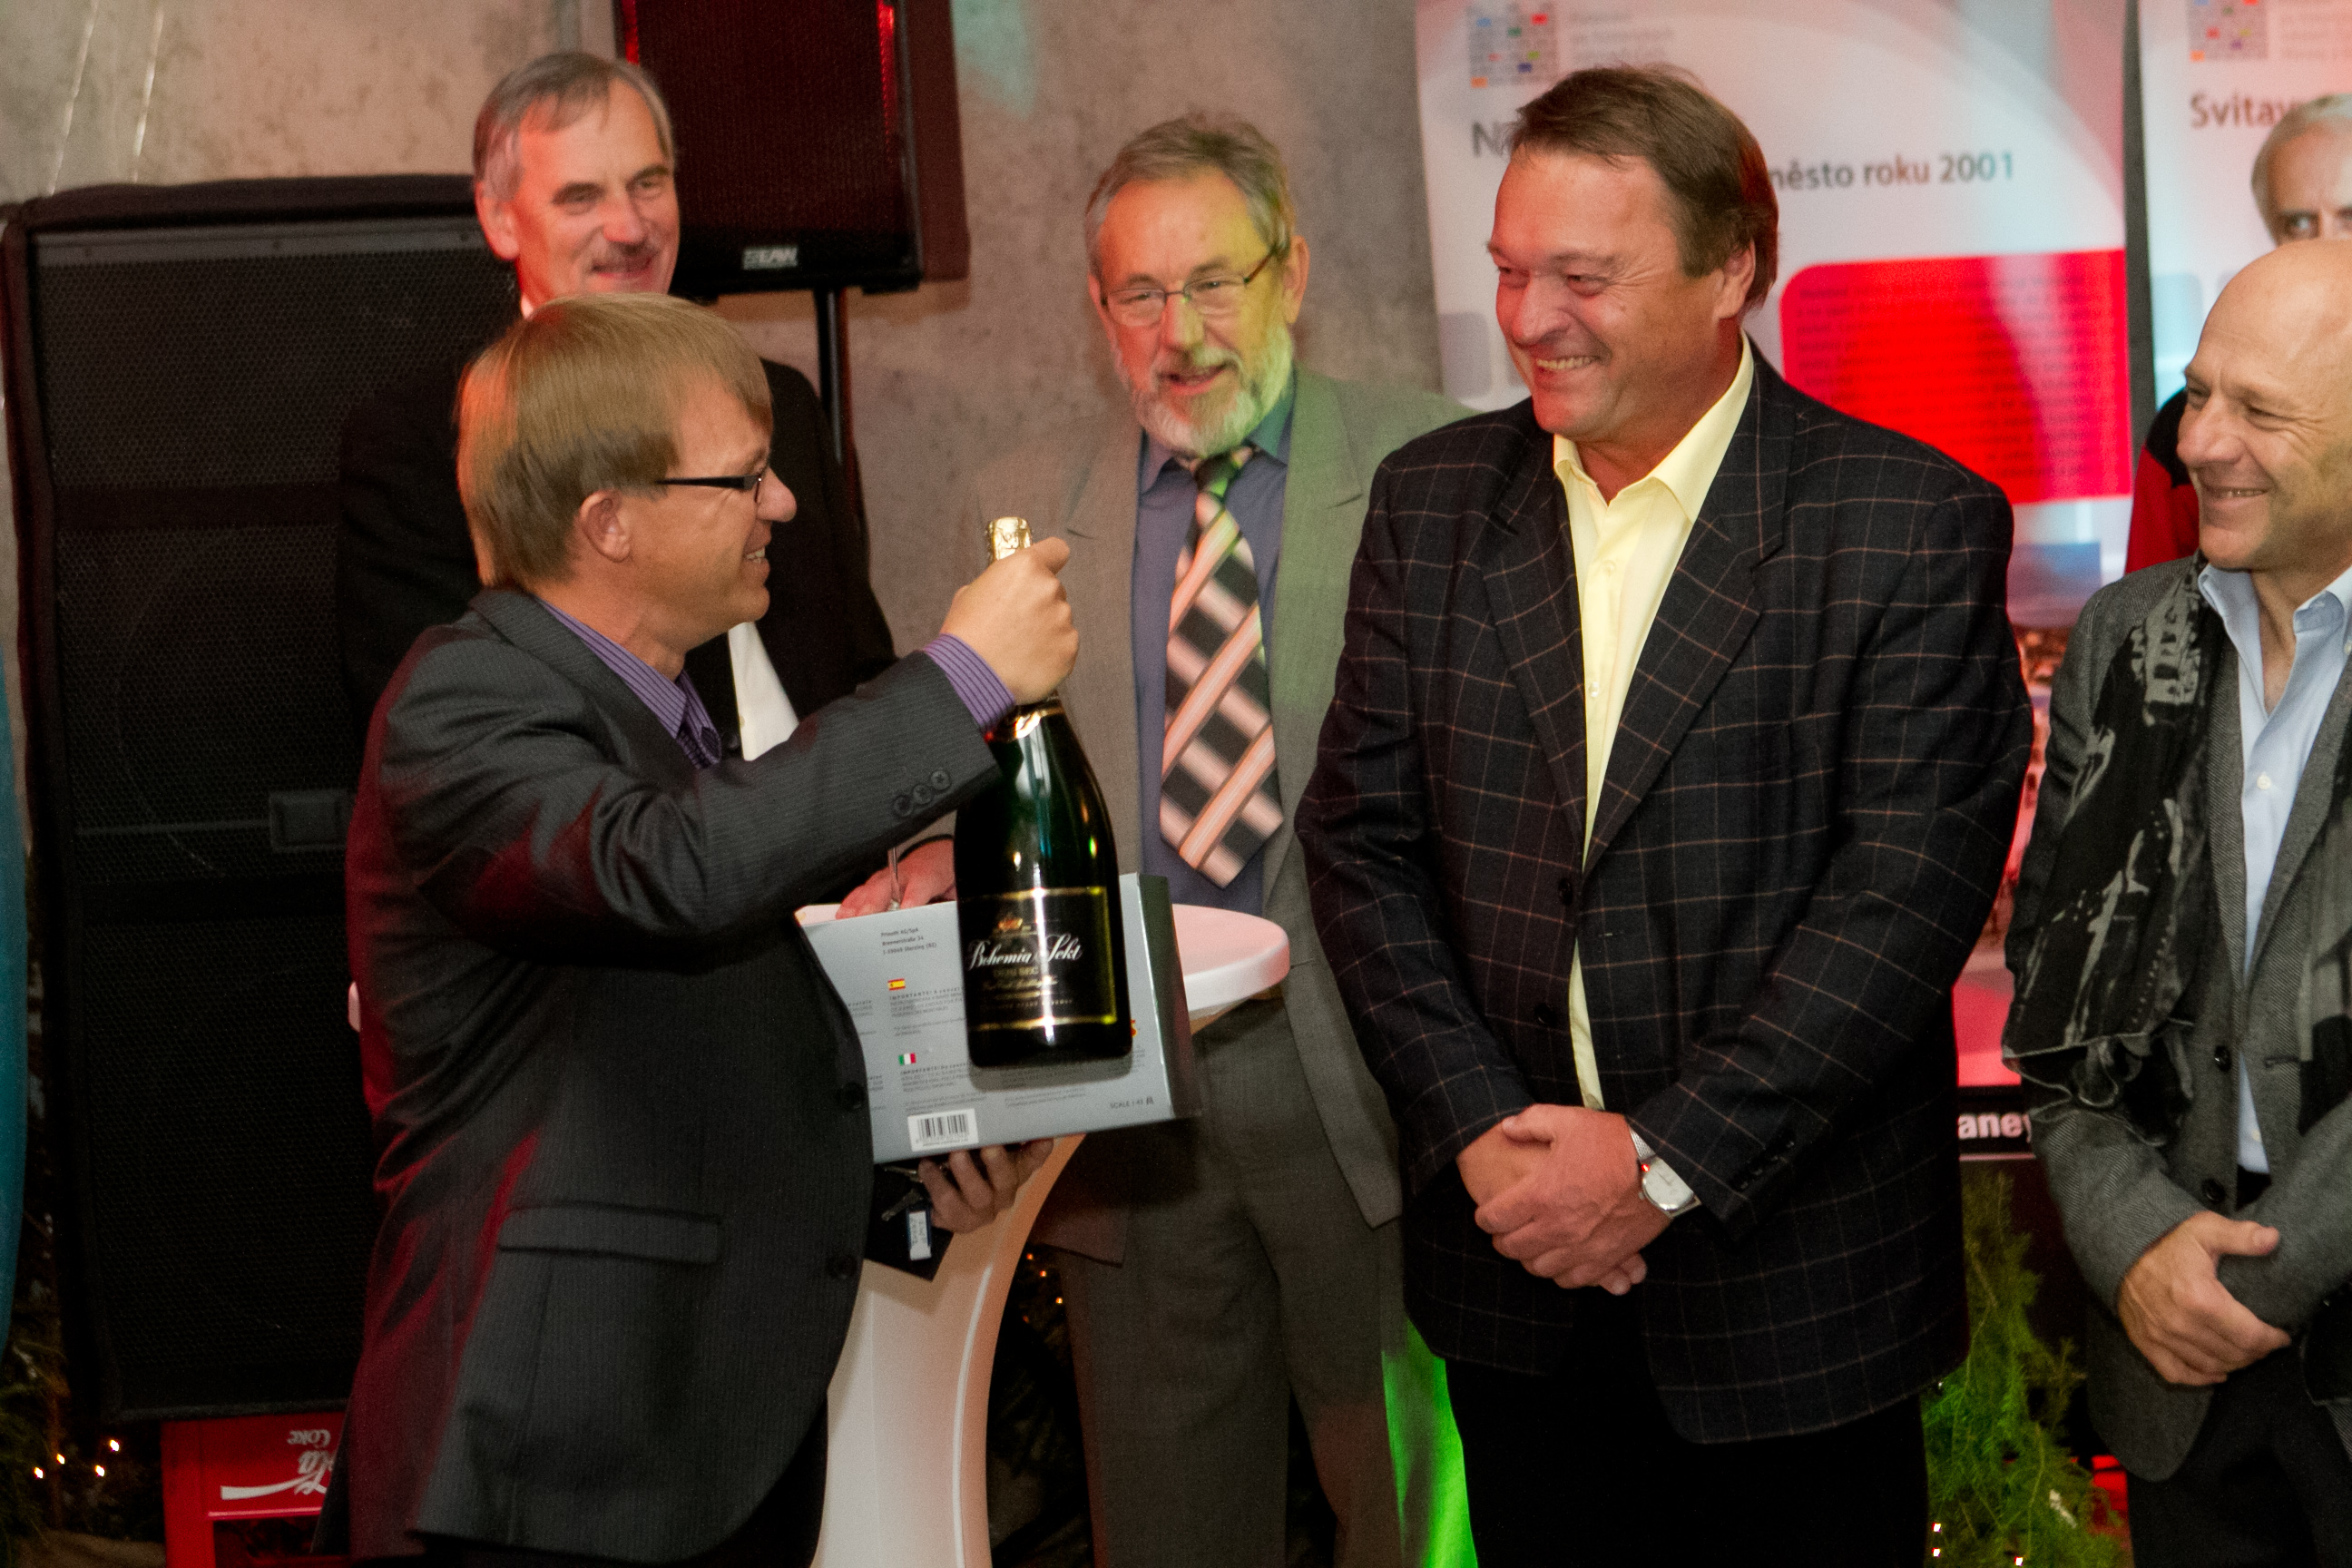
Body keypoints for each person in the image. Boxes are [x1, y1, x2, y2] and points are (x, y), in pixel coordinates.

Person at [1297, 67, 2033, 1566]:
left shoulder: (1902, 523)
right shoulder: (1432, 503)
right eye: (1510, 270)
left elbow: (1900, 903)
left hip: (1790, 1305)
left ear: (1730, 268)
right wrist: (1481, 1133)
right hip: (1517, 1283)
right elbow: (1362, 843)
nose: (1529, 318)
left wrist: (1656, 1160)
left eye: (1584, 276)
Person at [337, 293, 1068, 1567]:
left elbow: (659, 1052)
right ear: (608, 522)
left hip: (678, 1444)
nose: (781, 504)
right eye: (742, 477)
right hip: (542, 1463)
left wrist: (907, 1182)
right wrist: (962, 675)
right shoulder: (463, 699)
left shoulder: (656, 717)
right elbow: (678, 873)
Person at [958, 115, 1461, 1567]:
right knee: (1168, 1531)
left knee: (1416, 1524)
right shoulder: (1017, 512)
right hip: (1130, 1123)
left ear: (1292, 273)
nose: (1180, 336)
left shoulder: (1434, 464)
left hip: (1369, 1093)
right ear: (1097, 307)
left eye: (1214, 283)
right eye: (1140, 293)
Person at [2007, 240, 2352, 1565]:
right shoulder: (2125, 636)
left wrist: (2248, 1281)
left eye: (2259, 410)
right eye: (2199, 394)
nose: (2200, 441)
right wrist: (2136, 1244)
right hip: (2173, 1381)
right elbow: (2055, 985)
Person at [337, 52, 888, 788]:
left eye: (648, 183)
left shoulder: (779, 400)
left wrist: (912, 836)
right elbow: (455, 755)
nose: (630, 227)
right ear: (500, 219)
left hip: (845, 844)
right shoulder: (423, 442)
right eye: (581, 196)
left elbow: (860, 669)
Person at [2126, 93, 2352, 573]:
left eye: (2351, 217)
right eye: (2298, 222)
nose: (2326, 241)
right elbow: (2145, 607)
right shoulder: (2191, 432)